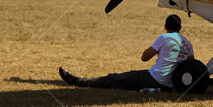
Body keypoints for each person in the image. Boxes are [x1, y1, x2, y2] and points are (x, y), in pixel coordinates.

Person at [59, 14, 194, 91]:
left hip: (155, 78)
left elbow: (144, 58)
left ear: (165, 27)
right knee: (121, 83)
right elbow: (192, 65)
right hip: (170, 85)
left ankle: (80, 82)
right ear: (180, 28)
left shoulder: (164, 38)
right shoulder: (188, 44)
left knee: (114, 78)